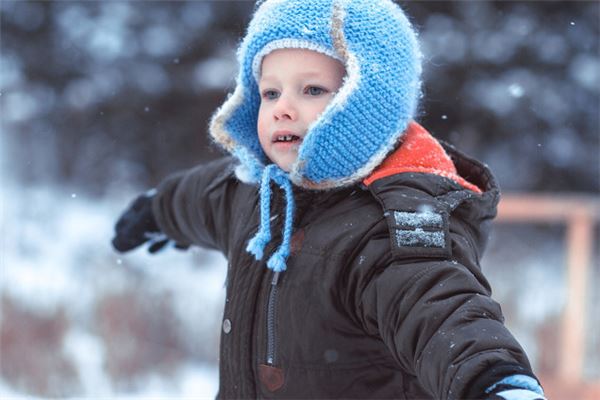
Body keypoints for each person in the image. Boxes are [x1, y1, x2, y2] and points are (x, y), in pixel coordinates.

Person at [112, 1, 547, 399]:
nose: (283, 108)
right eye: (270, 92)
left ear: (368, 102)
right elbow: (206, 196)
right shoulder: (259, 194)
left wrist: (492, 379)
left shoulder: (393, 220)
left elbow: (437, 306)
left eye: (312, 90)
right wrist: (158, 209)